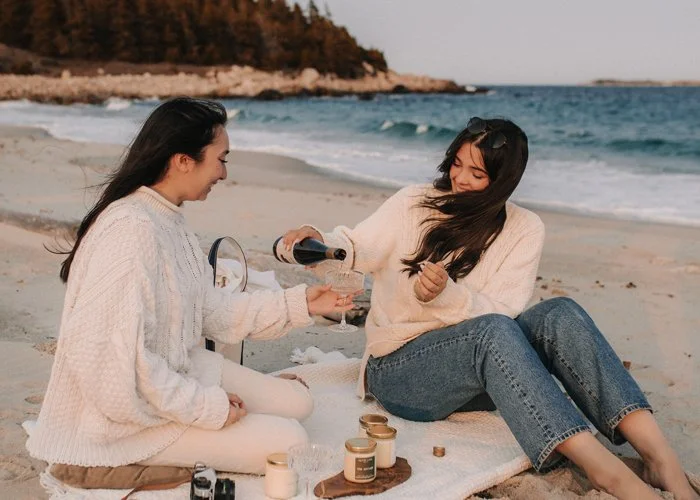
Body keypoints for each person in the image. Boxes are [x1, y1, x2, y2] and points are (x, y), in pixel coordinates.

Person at [282, 117, 698, 500]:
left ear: (502, 180)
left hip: (477, 373)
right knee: (492, 332)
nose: (460, 178)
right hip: (399, 371)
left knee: (559, 313)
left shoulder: (524, 228)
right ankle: (607, 472)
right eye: (458, 163)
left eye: (477, 173)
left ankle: (661, 460)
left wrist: (446, 294)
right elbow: (355, 245)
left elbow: (506, 309)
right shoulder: (415, 203)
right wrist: (317, 239)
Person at [26, 97, 356, 474]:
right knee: (291, 441)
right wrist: (208, 407)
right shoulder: (130, 231)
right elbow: (113, 370)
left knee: (299, 403)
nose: (224, 173)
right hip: (125, 418)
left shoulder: (169, 221)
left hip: (177, 370)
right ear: (183, 160)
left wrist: (303, 304)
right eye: (222, 158)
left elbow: (211, 312)